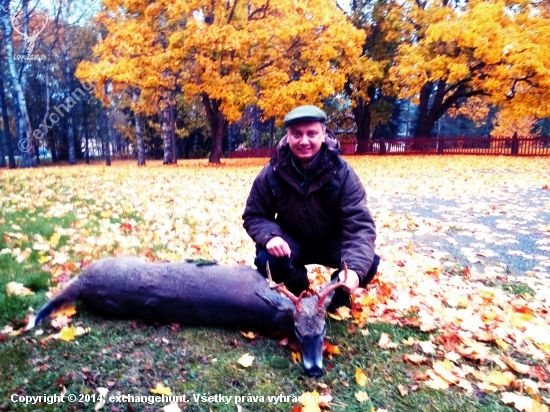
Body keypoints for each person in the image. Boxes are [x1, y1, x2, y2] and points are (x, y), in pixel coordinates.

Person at [242, 105, 379, 310]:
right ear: (288, 136)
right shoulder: (272, 171)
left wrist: (354, 271)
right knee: (267, 259)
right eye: (297, 134)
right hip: (293, 241)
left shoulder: (342, 172)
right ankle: (301, 289)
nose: (304, 141)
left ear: (323, 135)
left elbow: (359, 226)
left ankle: (335, 299)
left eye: (311, 133)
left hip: (332, 241)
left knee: (367, 263)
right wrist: (271, 236)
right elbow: (255, 214)